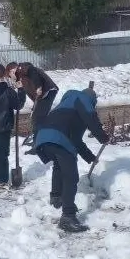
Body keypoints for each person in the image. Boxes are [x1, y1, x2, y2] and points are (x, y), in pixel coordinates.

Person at [35, 85, 109, 233]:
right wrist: (103, 137)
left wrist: (90, 157)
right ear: (92, 100)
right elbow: (92, 119)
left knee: (59, 165)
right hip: (58, 138)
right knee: (70, 177)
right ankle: (68, 217)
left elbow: (76, 140)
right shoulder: (82, 99)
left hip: (42, 136)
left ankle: (56, 197)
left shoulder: (66, 106)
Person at [7, 62, 58, 146]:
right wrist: (20, 87)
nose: (10, 77)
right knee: (36, 116)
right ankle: (39, 139)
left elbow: (33, 72)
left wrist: (38, 86)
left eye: (9, 74)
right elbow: (28, 91)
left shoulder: (23, 68)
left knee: (38, 117)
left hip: (47, 91)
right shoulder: (21, 76)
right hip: (42, 95)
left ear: (12, 70)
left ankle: (39, 142)